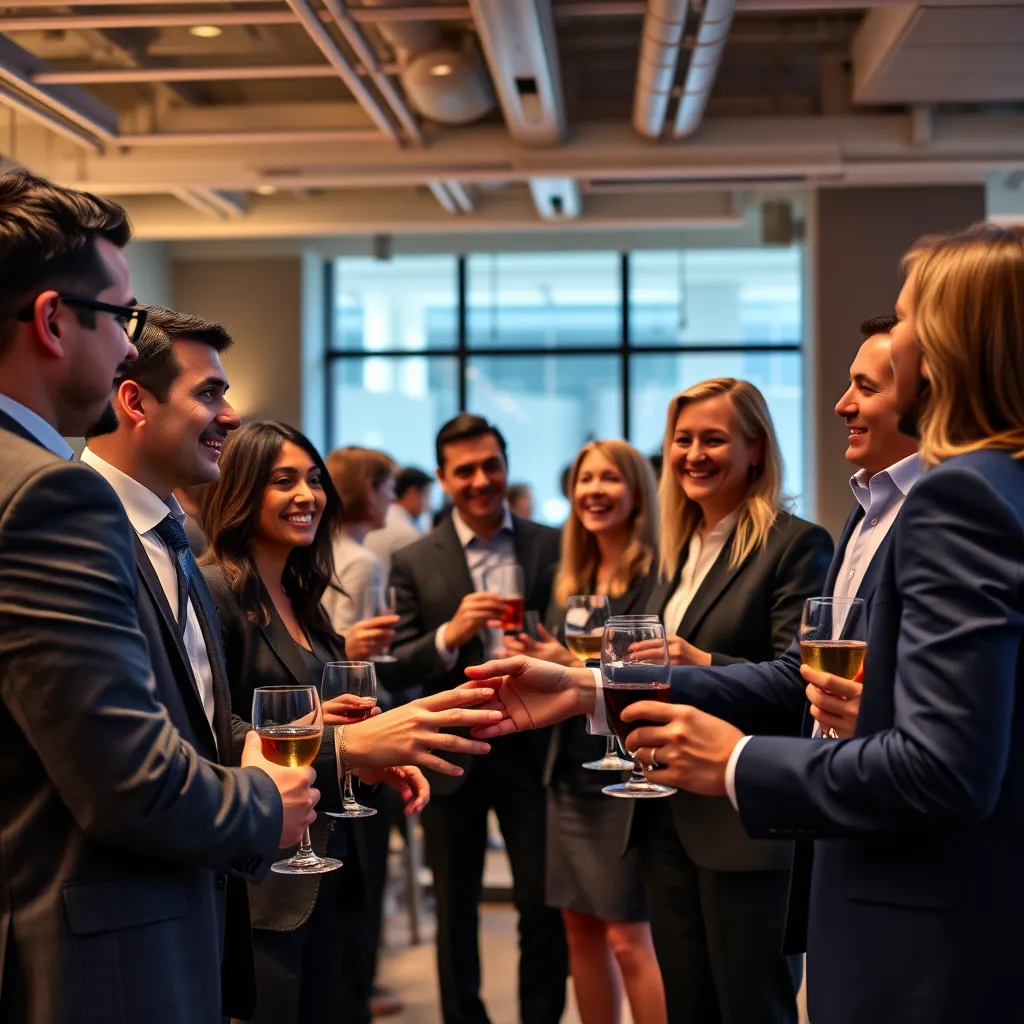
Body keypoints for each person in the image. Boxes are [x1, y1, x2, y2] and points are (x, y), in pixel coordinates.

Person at [469, 228, 1024, 1023]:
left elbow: (943, 767)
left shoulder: (956, 497)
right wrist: (593, 685)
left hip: (919, 918)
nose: (886, 346)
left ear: (949, 342)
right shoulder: (976, 489)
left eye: (903, 323)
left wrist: (737, 761)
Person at [0, 170, 314, 1023]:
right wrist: (266, 804)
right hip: (91, 955)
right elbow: (126, 781)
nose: (127, 344)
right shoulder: (48, 497)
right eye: (122, 317)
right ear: (54, 322)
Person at [200, 420, 503, 1024]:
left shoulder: (301, 593)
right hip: (264, 876)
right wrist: (345, 742)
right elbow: (211, 732)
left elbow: (306, 718)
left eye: (314, 480)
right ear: (241, 490)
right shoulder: (214, 591)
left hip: (332, 858)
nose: (307, 495)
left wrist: (370, 756)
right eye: (283, 480)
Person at [79, 306, 269, 1018]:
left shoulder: (173, 533)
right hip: (111, 943)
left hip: (191, 912)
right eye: (210, 393)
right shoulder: (75, 531)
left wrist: (336, 750)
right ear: (134, 400)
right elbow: (119, 766)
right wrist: (275, 798)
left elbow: (198, 725)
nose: (232, 414)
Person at [631, 379, 832, 1024]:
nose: (694, 453)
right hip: (664, 812)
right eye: (682, 439)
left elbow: (798, 682)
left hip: (744, 821)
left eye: (713, 439)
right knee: (688, 1007)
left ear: (755, 450)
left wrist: (699, 664)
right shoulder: (675, 553)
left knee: (752, 1008)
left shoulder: (796, 543)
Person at [390, 413, 568, 1024]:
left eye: (491, 465)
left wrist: (557, 651)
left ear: (506, 464)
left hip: (538, 747)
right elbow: (395, 664)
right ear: (443, 477)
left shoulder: (553, 544)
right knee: (455, 907)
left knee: (543, 907)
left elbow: (581, 632)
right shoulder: (416, 559)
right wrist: (449, 633)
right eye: (464, 470)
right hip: (451, 748)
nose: (481, 480)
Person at [505, 440, 666, 1024]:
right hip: (567, 767)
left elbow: (654, 666)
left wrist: (574, 665)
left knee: (629, 938)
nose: (594, 490)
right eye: (585, 479)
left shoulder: (659, 572)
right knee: (579, 930)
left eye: (610, 479)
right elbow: (565, 666)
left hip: (626, 768)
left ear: (637, 492)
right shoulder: (565, 571)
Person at [322, 446, 401, 660]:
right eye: (390, 488)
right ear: (370, 490)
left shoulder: (319, 548)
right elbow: (354, 651)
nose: (394, 498)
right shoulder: (361, 561)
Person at [365, 465, 433, 576]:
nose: (429, 506)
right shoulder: (406, 532)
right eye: (427, 495)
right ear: (412, 493)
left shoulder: (390, 519)